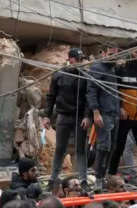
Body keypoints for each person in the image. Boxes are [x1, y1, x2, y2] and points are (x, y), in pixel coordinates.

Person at [41, 47, 90, 192]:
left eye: (82, 60)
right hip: (63, 116)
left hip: (80, 117)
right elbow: (51, 97)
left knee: (81, 150)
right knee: (60, 149)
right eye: (78, 60)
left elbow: (89, 99)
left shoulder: (86, 77)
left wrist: (88, 116)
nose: (80, 63)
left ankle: (83, 180)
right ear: (70, 60)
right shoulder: (58, 75)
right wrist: (46, 116)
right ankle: (52, 179)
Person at [108, 45, 137, 184]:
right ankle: (111, 176)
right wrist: (119, 108)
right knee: (118, 146)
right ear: (130, 52)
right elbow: (114, 91)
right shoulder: (120, 69)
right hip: (124, 116)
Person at [86, 43, 120, 191]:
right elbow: (91, 92)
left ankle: (102, 176)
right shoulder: (97, 68)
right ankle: (99, 180)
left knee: (112, 148)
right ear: (104, 53)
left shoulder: (113, 69)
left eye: (116, 54)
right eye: (111, 54)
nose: (114, 57)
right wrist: (96, 112)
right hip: (103, 114)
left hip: (114, 113)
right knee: (103, 147)